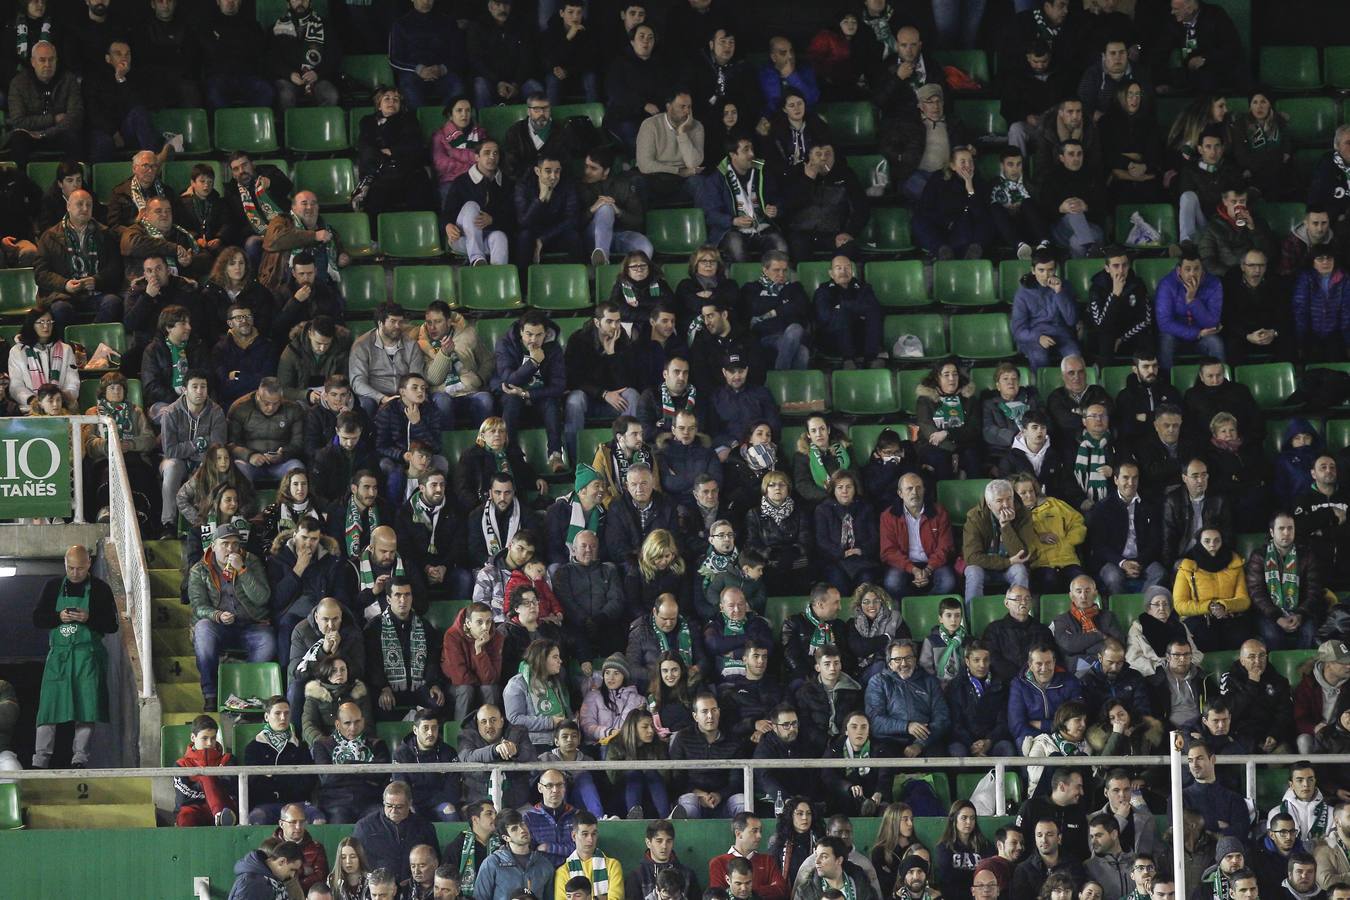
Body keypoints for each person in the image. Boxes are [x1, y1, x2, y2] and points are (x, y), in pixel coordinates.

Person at [29, 545, 117, 769]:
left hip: (87, 658)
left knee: (86, 708)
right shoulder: (52, 587)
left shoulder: (100, 589)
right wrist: (58, 616)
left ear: (89, 564)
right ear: (65, 565)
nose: (75, 573)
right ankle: (40, 760)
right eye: (70, 568)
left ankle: (80, 758)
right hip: (58, 658)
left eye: (80, 568)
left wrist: (89, 617)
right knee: (48, 708)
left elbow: (112, 625)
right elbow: (37, 619)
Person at [189, 524, 275, 711]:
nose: (230, 549)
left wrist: (242, 570)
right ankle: (210, 695)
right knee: (202, 629)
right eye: (225, 544)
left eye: (235, 544)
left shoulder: (250, 561)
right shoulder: (199, 569)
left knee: (267, 642)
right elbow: (198, 606)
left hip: (251, 624)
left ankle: (247, 693)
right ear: (213, 545)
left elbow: (262, 598)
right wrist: (217, 615)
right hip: (219, 626)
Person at [33, 188, 121, 324]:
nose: (85, 208)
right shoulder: (49, 236)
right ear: (68, 206)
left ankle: (94, 341)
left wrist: (97, 280)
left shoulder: (105, 234)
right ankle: (69, 345)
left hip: (96, 293)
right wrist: (65, 284)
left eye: (89, 205)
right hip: (63, 295)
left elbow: (116, 267)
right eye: (80, 204)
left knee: (113, 302)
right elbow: (41, 273)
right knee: (60, 308)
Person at [364, 578, 445, 716]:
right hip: (387, 688)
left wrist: (433, 684)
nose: (403, 599)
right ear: (388, 599)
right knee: (380, 705)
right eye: (398, 595)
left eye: (407, 595)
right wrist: (383, 687)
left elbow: (432, 659)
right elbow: (372, 663)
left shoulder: (424, 626)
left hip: (418, 687)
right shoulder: (375, 627)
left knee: (436, 702)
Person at [780, 142, 868, 262]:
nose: (823, 158)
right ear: (810, 157)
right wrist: (808, 180)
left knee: (849, 249)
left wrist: (849, 232)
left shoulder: (846, 175)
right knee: (795, 249)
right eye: (818, 154)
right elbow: (788, 206)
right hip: (801, 234)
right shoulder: (796, 175)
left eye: (828, 154)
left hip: (835, 234)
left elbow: (861, 208)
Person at [311, 700, 392, 825]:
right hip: (336, 803)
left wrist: (346, 766)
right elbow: (327, 778)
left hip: (370, 801)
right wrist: (363, 771)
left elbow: (381, 775)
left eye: (357, 722)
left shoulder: (377, 744)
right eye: (347, 723)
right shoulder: (322, 745)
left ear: (363, 721)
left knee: (379, 821)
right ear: (337, 724)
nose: (353, 728)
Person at [356, 88, 433, 216]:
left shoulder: (409, 120)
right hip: (380, 172)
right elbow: (365, 147)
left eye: (396, 99)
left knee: (420, 192)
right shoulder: (367, 121)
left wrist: (392, 151)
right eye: (387, 98)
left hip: (407, 170)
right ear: (379, 105)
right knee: (374, 200)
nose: (392, 102)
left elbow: (414, 146)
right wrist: (384, 155)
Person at [1172, 527, 1251, 652]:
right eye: (1207, 541)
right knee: (1204, 638)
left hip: (1229, 616)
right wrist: (1209, 607)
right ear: (1199, 542)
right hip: (1199, 618)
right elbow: (1180, 604)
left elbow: (1244, 600)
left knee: (1242, 638)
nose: (1212, 545)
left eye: (1217, 541)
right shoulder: (1187, 566)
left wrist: (1224, 605)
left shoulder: (1234, 563)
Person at [5, 41, 81, 168]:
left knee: (74, 136)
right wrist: (53, 119)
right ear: (33, 62)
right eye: (42, 60)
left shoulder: (68, 80)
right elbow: (18, 121)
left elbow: (75, 117)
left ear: (56, 60)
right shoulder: (18, 83)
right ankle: (20, 183)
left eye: (51, 60)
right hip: (29, 135)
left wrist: (45, 134)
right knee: (18, 139)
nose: (47, 64)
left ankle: (73, 182)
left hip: (58, 133)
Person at [963, 479, 1037, 605]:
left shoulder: (1023, 514)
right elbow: (971, 557)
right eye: (999, 501)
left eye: (1009, 499)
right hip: (984, 567)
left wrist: (1006, 526)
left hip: (1010, 568)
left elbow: (1023, 555)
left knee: (1020, 571)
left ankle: (1019, 613)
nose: (1006, 505)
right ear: (989, 504)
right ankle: (973, 618)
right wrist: (1007, 561)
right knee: (973, 572)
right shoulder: (975, 517)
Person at [914, 146, 994, 262]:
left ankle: (974, 251)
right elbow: (925, 207)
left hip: (965, 229)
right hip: (941, 226)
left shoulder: (978, 181)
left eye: (970, 161)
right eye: (963, 162)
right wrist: (946, 221)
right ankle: (943, 251)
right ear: (953, 166)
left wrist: (970, 188)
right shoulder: (938, 178)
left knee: (988, 219)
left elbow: (980, 213)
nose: (968, 166)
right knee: (918, 220)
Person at [352, 781, 439, 883]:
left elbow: (435, 863)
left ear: (409, 803)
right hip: (377, 890)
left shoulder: (425, 828)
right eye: (389, 806)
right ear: (383, 802)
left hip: (414, 889)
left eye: (399, 807)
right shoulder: (365, 827)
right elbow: (355, 862)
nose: (393, 811)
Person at [1014, 474, 1086, 594]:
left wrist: (1069, 541)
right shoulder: (1016, 516)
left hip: (1068, 560)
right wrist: (1038, 537)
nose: (1029, 495)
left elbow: (1077, 522)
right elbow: (1018, 540)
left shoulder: (1054, 504)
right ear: (1015, 495)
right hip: (1040, 564)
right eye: (1023, 493)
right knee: (1050, 580)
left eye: (1031, 491)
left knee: (1082, 583)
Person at [1012, 249, 1080, 372]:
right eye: (1041, 270)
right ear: (1033, 270)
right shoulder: (1022, 293)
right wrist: (1038, 337)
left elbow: (1071, 320)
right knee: (1040, 358)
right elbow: (1018, 330)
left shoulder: (1064, 286)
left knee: (1075, 357)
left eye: (1050, 270)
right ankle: (1043, 389)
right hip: (1034, 337)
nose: (1046, 275)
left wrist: (1059, 292)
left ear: (1055, 270)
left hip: (1061, 334)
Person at [6, 305, 78, 413]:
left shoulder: (66, 349)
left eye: (49, 322)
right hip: (30, 409)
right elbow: (16, 385)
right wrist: (33, 400)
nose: (46, 326)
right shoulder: (17, 351)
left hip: (61, 407)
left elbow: (72, 380)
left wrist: (61, 398)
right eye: (41, 322)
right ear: (31, 324)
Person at [268, 0, 339, 109]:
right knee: (285, 96)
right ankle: (291, 125)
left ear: (310, 2)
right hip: (288, 78)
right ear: (288, 4)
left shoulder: (325, 26)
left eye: (304, 0)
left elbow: (334, 56)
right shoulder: (275, 28)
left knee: (330, 95)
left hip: (317, 78)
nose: (300, 3)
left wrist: (317, 73)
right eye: (295, 0)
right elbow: (271, 59)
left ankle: (320, 125)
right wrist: (289, 74)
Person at [1198, 183, 1275, 280]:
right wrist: (1233, 275)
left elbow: (1268, 253)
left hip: (1256, 275)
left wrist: (1253, 229)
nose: (1238, 206)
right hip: (1227, 278)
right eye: (1233, 202)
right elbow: (1207, 261)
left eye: (1242, 201)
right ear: (1225, 201)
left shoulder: (1258, 222)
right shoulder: (1213, 227)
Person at [475, 810, 557, 900]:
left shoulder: (544, 864)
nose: (522, 830)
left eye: (522, 824)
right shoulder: (492, 863)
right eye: (514, 829)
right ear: (506, 838)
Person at [1051, 576, 1124, 674]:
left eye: (1087, 591)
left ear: (1095, 594)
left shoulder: (1108, 617)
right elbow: (1068, 645)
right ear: (1071, 596)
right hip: (1074, 669)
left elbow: (1118, 645)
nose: (1083, 596)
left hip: (1106, 667)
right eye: (1078, 591)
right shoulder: (1062, 620)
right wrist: (1101, 636)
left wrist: (1080, 646)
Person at [984, 586, 1055, 683]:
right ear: (1006, 603)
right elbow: (992, 659)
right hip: (1005, 683)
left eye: (1027, 598)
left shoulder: (1042, 630)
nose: (1023, 602)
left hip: (1038, 682)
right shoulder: (994, 629)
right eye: (1018, 599)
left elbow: (1052, 656)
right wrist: (1020, 676)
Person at [227, 841, 305, 900]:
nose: (292, 875)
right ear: (282, 861)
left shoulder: (272, 881)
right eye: (292, 870)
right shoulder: (252, 883)